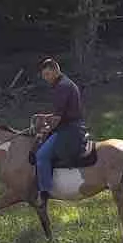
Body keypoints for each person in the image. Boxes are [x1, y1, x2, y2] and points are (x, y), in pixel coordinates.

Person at [34, 58, 86, 215]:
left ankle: (44, 193)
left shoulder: (62, 87)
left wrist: (45, 129)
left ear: (56, 70)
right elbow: (59, 113)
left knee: (41, 155)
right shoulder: (64, 84)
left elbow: (58, 119)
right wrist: (46, 117)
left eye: (48, 74)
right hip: (71, 126)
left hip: (69, 131)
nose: (47, 79)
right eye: (44, 76)